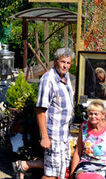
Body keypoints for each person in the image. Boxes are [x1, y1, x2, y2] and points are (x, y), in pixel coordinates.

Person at [13, 48, 75, 179]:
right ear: (55, 61)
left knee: (60, 168)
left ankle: (23, 165)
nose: (65, 66)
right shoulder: (48, 80)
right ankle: (24, 165)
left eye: (68, 63)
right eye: (62, 62)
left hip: (64, 133)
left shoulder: (66, 77)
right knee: (51, 174)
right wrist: (45, 137)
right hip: (53, 133)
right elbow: (40, 110)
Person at [70, 100, 106, 179]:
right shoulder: (84, 127)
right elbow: (78, 151)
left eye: (96, 114)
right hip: (86, 162)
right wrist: (72, 174)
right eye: (90, 114)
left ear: (103, 115)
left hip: (105, 164)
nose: (93, 116)